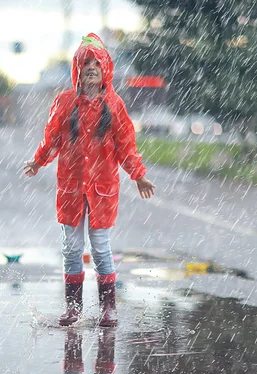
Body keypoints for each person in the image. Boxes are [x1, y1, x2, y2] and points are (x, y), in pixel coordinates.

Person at [23, 33, 155, 327]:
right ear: (77, 70)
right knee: (71, 247)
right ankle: (74, 307)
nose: (92, 68)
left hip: (102, 188)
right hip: (71, 186)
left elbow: (126, 146)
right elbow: (52, 139)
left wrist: (139, 175)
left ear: (105, 68)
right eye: (86, 63)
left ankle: (109, 308)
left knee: (100, 246)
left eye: (97, 63)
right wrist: (38, 161)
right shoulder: (65, 102)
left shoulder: (115, 105)